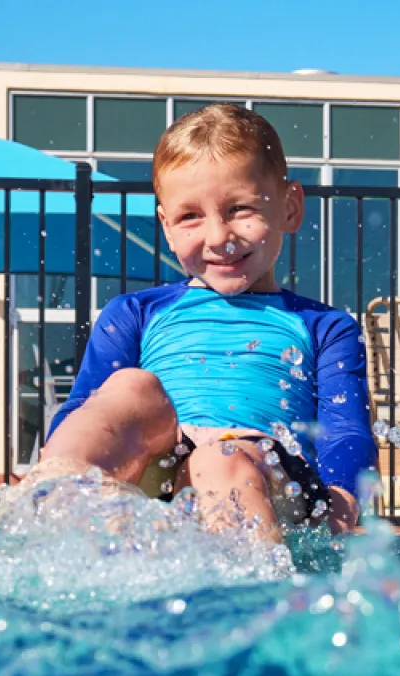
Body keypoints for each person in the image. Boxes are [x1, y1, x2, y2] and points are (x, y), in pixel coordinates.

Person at [31, 104, 372, 544]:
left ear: (290, 207)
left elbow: (345, 430)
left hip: (259, 474)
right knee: (131, 387)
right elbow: (84, 410)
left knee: (220, 459)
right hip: (158, 468)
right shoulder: (134, 313)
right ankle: (55, 503)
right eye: (191, 216)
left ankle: (255, 595)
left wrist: (340, 507)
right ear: (166, 226)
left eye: (239, 209)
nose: (217, 237)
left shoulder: (325, 327)